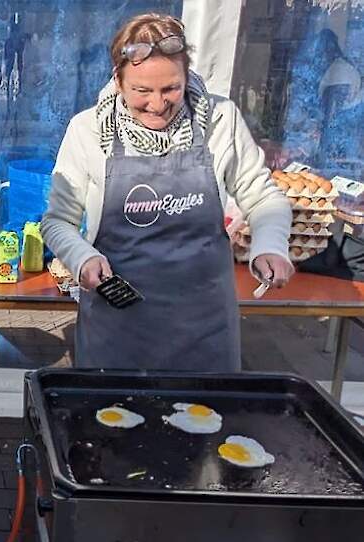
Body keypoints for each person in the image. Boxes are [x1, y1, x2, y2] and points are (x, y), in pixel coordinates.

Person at [42, 13, 293, 372]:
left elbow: (264, 197)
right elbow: (57, 221)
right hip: (117, 329)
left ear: (187, 75)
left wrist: (270, 246)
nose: (157, 105)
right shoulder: (88, 130)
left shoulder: (221, 120)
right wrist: (81, 257)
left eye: (170, 88)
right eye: (141, 91)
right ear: (118, 80)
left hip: (204, 329)